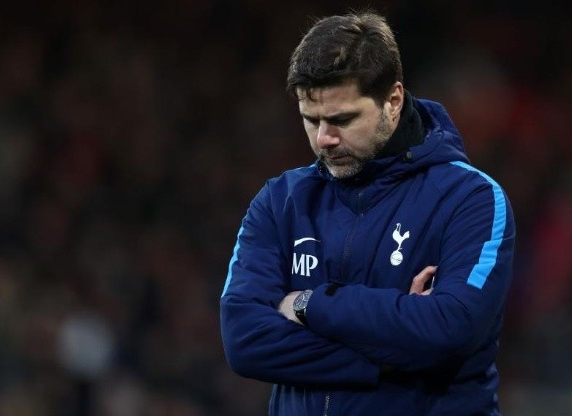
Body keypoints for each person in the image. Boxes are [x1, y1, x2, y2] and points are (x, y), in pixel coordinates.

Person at [220, 11, 515, 416]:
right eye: (311, 120)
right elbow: (244, 342)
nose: (324, 138)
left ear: (393, 100)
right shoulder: (280, 201)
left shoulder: (471, 198)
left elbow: (450, 328)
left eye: (342, 119)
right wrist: (392, 354)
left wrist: (309, 305)